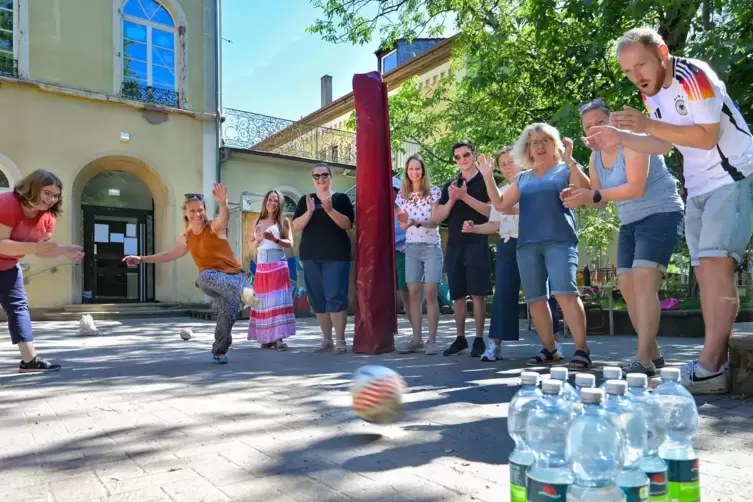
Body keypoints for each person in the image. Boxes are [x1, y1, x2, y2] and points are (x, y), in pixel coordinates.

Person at [586, 27, 753, 393]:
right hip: (698, 187)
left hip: (734, 175)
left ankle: (710, 366)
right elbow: (662, 143)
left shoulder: (695, 76)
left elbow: (706, 135)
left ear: (662, 52)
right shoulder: (651, 94)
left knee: (713, 267)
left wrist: (643, 126)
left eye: (641, 65)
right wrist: (622, 137)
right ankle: (713, 362)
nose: (637, 77)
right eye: (628, 72)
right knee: (705, 269)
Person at [563, 99, 685, 375]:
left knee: (644, 284)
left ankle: (642, 359)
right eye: (588, 126)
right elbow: (598, 201)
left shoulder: (633, 141)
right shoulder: (595, 158)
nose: (594, 129)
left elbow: (635, 188)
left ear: (614, 122)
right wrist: (577, 194)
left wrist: (593, 195)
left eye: (599, 122)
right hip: (630, 222)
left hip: (661, 214)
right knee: (628, 289)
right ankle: (653, 353)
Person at [123, 183, 256, 364]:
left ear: (205, 211)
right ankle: (244, 293)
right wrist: (141, 259)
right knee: (205, 276)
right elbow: (169, 255)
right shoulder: (186, 238)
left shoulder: (214, 228)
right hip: (211, 280)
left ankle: (219, 351)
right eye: (192, 211)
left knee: (227, 317)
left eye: (200, 210)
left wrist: (223, 203)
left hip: (235, 278)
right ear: (185, 213)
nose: (197, 214)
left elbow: (223, 219)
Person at [497, 123, 593, 369]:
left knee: (565, 293)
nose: (539, 146)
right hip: (527, 244)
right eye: (534, 142)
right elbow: (500, 204)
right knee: (536, 299)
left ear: (555, 144)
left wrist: (571, 160)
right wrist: (488, 176)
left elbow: (588, 191)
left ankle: (582, 349)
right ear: (527, 149)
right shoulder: (522, 177)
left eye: (545, 141)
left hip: (560, 240)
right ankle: (549, 349)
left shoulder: (564, 169)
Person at [0, 170, 84, 372]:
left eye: (56, 196)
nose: (51, 199)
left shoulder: (48, 218)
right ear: (32, 188)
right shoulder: (8, 203)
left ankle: (29, 361)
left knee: (18, 307)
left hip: (9, 266)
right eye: (47, 193)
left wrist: (63, 251)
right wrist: (36, 248)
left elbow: (41, 251)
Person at [432, 140, 492, 357]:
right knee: (457, 293)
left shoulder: (486, 180)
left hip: (477, 241)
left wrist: (465, 196)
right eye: (457, 157)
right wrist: (453, 198)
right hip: (455, 244)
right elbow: (437, 216)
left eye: (466, 154)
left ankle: (478, 339)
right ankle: (460, 339)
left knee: (477, 293)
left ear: (474, 153)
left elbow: (490, 212)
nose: (462, 160)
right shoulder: (451, 184)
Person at [292, 163, 354, 354]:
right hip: (311, 256)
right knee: (318, 299)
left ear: (330, 176)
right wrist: (310, 212)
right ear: (313, 179)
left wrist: (329, 210)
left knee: (336, 297)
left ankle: (340, 340)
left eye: (324, 175)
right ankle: (327, 340)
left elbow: (347, 224)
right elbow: (296, 226)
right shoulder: (306, 200)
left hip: (336, 256)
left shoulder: (341, 198)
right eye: (317, 176)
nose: (321, 179)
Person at [394, 156, 443, 355]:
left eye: (418, 168)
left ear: (423, 170)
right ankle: (416, 339)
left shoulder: (434, 191)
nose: (414, 172)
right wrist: (405, 224)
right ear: (406, 172)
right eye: (411, 169)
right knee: (413, 294)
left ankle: (431, 341)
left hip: (431, 246)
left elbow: (436, 221)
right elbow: (401, 220)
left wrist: (417, 222)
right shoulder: (402, 195)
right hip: (411, 248)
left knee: (430, 293)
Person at [247, 190, 296, 350]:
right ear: (265, 201)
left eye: (276, 201)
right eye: (270, 200)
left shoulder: (283, 221)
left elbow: (290, 243)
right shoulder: (257, 221)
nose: (272, 203)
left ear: (279, 204)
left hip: (278, 266)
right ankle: (266, 338)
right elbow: (251, 245)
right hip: (262, 267)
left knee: (277, 301)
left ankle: (279, 338)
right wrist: (258, 240)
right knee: (263, 302)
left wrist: (274, 239)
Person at [392, 177, 412, 336]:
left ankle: (415, 333)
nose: (392, 194)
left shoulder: (408, 208)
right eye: (389, 190)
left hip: (404, 252)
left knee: (407, 295)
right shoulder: (380, 208)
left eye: (395, 190)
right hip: (386, 253)